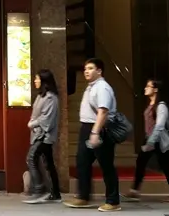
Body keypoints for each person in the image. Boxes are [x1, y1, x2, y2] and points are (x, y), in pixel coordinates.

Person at [64, 58, 120, 212]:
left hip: (100, 128)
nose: (86, 71)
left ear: (99, 71)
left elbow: (103, 111)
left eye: (90, 68)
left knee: (106, 164)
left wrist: (95, 132)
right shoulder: (91, 87)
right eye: (85, 69)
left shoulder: (102, 87)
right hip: (86, 127)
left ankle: (113, 201)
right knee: (82, 162)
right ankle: (83, 196)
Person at [124, 79, 169, 202]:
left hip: (158, 140)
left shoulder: (161, 106)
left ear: (155, 89)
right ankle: (134, 190)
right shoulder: (150, 104)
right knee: (141, 162)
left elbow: (159, 126)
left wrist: (150, 142)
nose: (145, 88)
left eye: (148, 86)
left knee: (165, 165)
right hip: (149, 138)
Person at [24, 69, 62, 204]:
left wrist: (32, 124)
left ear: (44, 81)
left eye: (37, 79)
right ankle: (55, 193)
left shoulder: (51, 98)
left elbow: (47, 119)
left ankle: (39, 190)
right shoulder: (41, 96)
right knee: (48, 163)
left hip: (44, 135)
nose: (35, 81)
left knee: (31, 158)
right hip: (39, 134)